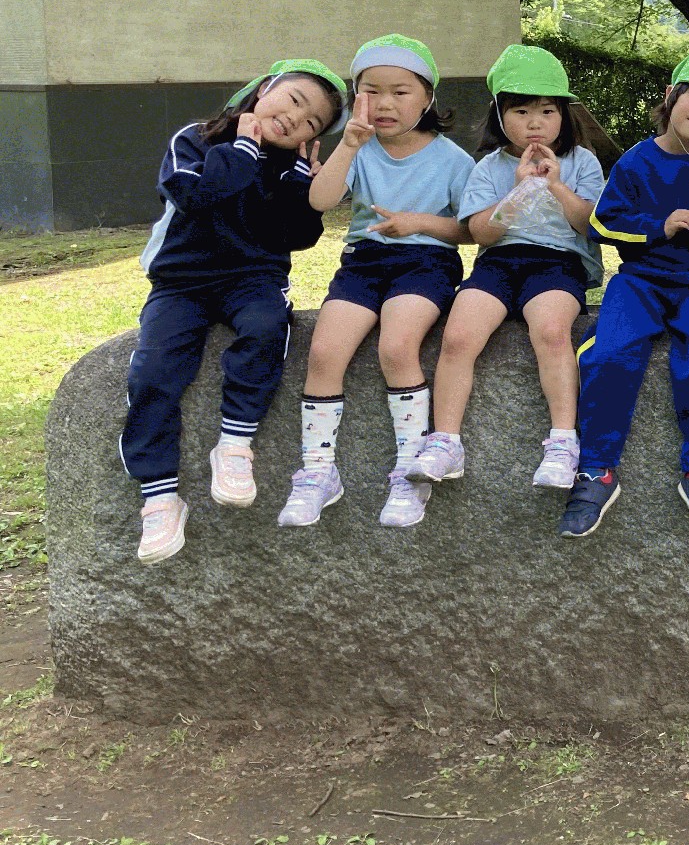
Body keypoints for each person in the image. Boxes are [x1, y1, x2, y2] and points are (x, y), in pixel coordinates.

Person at [120, 60, 345, 563]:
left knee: (267, 327)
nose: (297, 119)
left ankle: (235, 445)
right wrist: (244, 149)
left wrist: (303, 186)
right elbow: (195, 194)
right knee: (153, 372)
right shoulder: (197, 139)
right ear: (263, 90)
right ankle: (159, 496)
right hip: (181, 283)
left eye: (312, 122)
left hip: (253, 280)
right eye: (294, 100)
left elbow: (299, 237)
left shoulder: (287, 167)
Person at [561, 51, 689, 536]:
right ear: (671, 96)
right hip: (641, 279)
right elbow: (603, 223)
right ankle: (596, 469)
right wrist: (659, 225)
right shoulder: (636, 159)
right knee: (609, 351)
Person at [402, 45, 615, 498]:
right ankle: (446, 441)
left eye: (547, 111)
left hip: (558, 262)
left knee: (551, 331)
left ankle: (563, 441)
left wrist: (554, 185)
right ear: (499, 116)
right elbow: (481, 232)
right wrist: (519, 191)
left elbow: (590, 225)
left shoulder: (582, 161)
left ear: (564, 116)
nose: (535, 122)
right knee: (458, 337)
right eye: (521, 111)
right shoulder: (489, 167)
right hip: (498, 262)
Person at [285, 36, 473, 530]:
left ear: (427, 98)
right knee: (324, 352)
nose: (385, 103)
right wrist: (348, 145)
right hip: (364, 262)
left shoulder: (453, 160)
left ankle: (410, 472)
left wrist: (418, 223)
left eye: (400, 91)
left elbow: (472, 230)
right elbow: (320, 201)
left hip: (427, 262)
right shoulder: (360, 149)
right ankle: (317, 472)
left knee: (397, 345)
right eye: (371, 91)